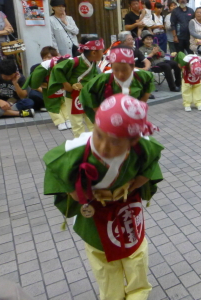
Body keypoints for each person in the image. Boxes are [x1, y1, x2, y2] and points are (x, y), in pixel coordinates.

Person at [43, 93, 163, 300]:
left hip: (126, 205)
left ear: (133, 140)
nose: (104, 147)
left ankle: (138, 292)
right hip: (96, 210)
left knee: (136, 252)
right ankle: (112, 296)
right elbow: (57, 170)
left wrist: (133, 184)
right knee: (102, 259)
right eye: (99, 135)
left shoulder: (142, 147)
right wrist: (81, 195)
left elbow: (151, 164)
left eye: (116, 142)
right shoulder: (76, 151)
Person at [80, 46, 155, 122]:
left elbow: (149, 83)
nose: (120, 75)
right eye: (115, 70)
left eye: (124, 70)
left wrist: (141, 103)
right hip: (110, 118)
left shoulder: (142, 75)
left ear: (132, 66)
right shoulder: (104, 78)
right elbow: (87, 91)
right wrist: (99, 112)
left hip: (134, 116)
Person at [48, 39, 104, 137]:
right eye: (101, 51)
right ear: (94, 52)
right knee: (77, 123)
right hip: (72, 96)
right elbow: (57, 69)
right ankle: (80, 146)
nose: (103, 53)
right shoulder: (75, 61)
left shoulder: (93, 63)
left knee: (92, 121)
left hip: (87, 95)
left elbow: (94, 78)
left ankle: (95, 143)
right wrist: (66, 84)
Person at [23, 46, 71, 130]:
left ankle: (68, 120)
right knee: (52, 107)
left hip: (61, 90)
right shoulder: (39, 67)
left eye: (51, 57)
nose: (48, 59)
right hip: (49, 91)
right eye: (46, 57)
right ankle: (60, 122)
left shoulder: (60, 66)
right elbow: (36, 83)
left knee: (64, 104)